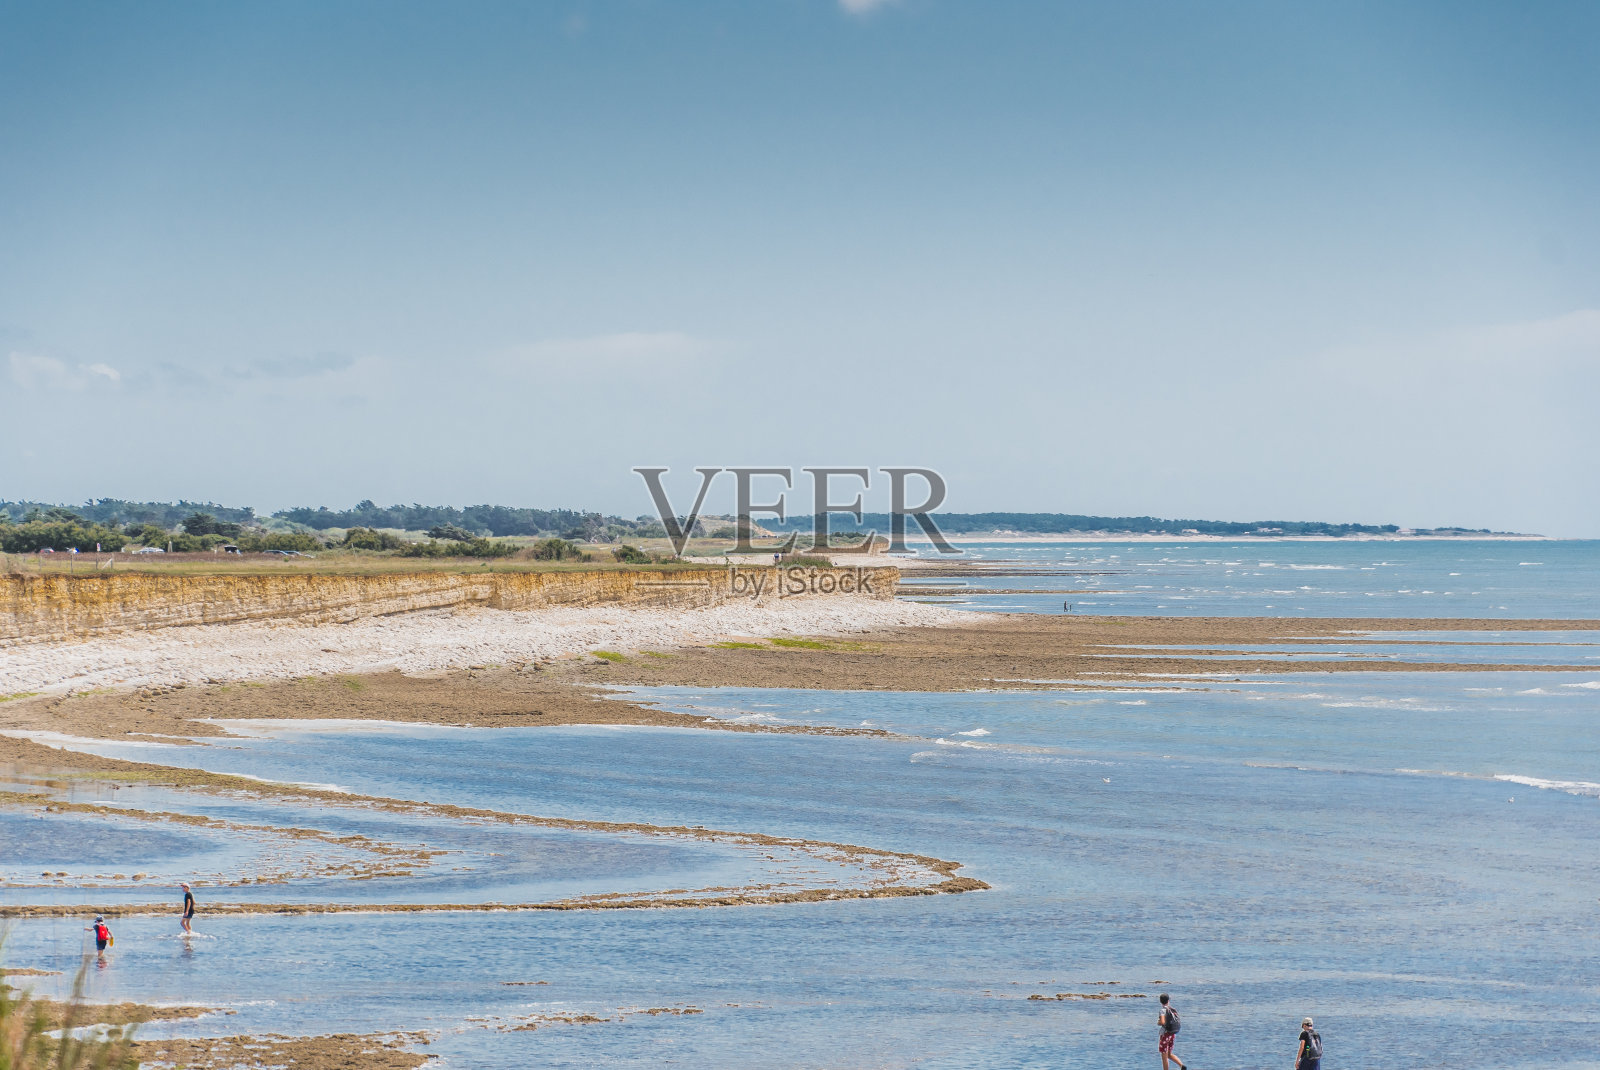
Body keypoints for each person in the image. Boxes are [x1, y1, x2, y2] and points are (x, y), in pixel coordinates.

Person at [1157, 993, 1186, 1070]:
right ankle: (1182, 1066)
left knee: (1164, 1056)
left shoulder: (1163, 1010)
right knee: (1169, 1054)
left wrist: (1158, 1022)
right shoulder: (1172, 1009)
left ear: (1160, 1001)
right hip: (1172, 1034)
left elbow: (1162, 1022)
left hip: (1165, 1034)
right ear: (1168, 1000)